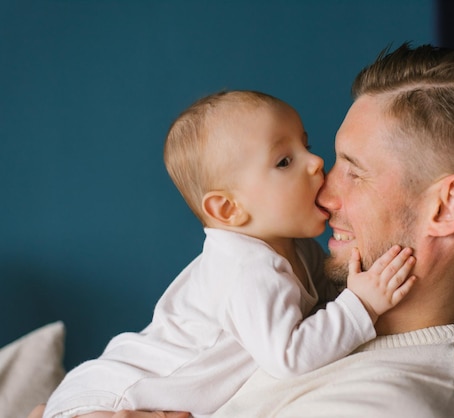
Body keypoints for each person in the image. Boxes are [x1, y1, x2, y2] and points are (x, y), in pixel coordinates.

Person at [32, 42, 454, 418]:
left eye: (355, 171)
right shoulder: (315, 313)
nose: (322, 193)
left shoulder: (382, 407)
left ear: (447, 206)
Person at [40, 90, 417, 418]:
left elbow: (321, 302)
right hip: (119, 395)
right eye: (284, 161)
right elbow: (290, 356)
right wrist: (362, 305)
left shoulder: (295, 248)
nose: (316, 162)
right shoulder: (248, 269)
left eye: (307, 146)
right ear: (228, 210)